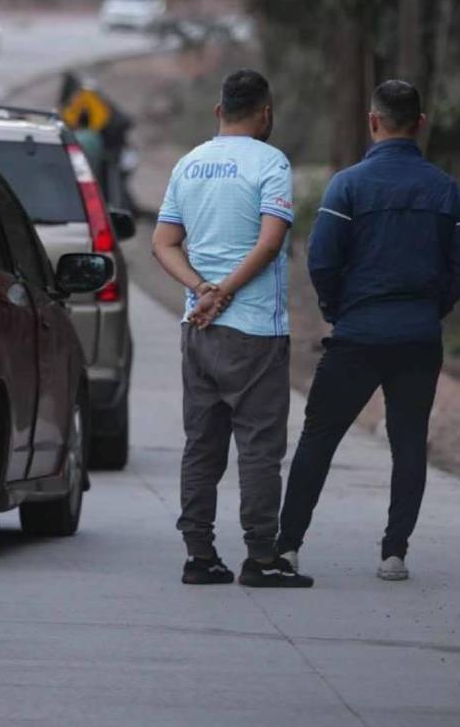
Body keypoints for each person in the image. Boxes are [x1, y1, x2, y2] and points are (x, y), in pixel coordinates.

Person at [277, 79, 460, 582]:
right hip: (418, 337)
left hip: (358, 334)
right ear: (420, 124)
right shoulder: (448, 190)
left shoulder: (348, 185)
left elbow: (322, 259)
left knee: (319, 437)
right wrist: (433, 308)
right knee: (409, 442)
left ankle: (287, 547)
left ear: (373, 122)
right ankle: (394, 554)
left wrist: (337, 309)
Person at [151, 69, 312, 588]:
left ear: (219, 111)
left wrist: (201, 289)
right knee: (260, 449)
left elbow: (163, 243)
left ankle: (199, 555)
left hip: (198, 330)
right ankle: (261, 558)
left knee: (202, 445)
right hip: (255, 333)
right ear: (266, 113)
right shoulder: (271, 162)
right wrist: (225, 292)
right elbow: (268, 244)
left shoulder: (189, 163)